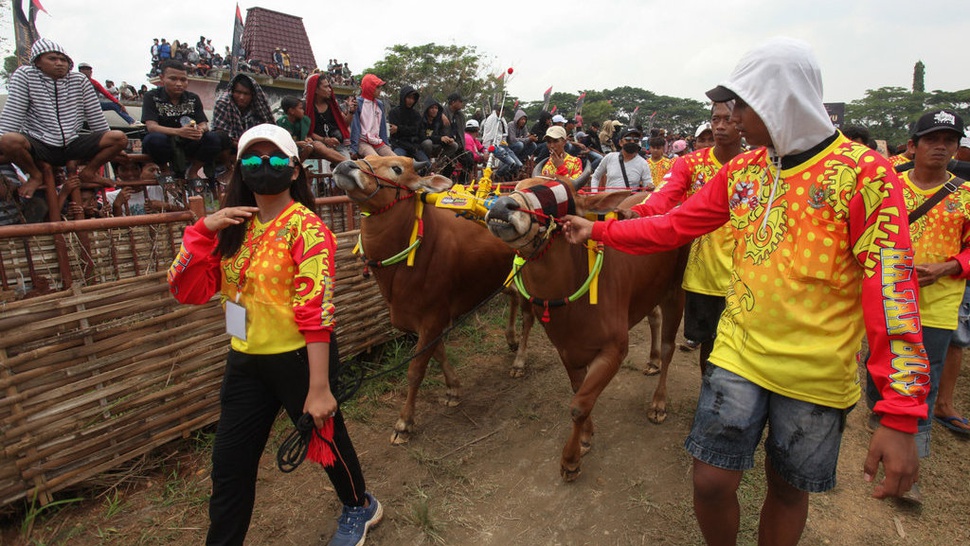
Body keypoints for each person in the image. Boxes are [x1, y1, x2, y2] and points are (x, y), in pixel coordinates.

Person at [561, 37, 928, 546]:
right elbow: (674, 225)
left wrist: (900, 412)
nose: (730, 116)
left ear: (780, 99)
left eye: (741, 103)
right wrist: (597, 230)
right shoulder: (744, 171)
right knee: (710, 481)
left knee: (785, 487)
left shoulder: (865, 175)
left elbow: (892, 291)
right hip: (738, 354)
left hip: (816, 373)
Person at [167, 124, 382, 546]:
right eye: (251, 159)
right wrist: (203, 229)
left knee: (327, 441)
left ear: (295, 169)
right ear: (239, 170)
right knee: (229, 465)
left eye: (274, 159)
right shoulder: (233, 226)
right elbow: (186, 289)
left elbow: (316, 309)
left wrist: (318, 388)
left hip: (301, 358)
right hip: (244, 360)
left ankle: (360, 506)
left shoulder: (308, 229)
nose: (263, 167)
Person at [865, 110, 970, 472]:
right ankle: (879, 412)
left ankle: (912, 457)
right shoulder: (888, 184)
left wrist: (949, 266)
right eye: (932, 140)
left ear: (957, 148)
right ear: (912, 146)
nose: (941, 147)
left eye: (949, 141)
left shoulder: (966, 196)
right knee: (879, 365)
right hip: (887, 298)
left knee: (925, 375)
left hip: (938, 305)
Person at [629, 101, 744, 370]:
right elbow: (663, 197)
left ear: (740, 121)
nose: (720, 126)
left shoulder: (758, 164)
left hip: (747, 276)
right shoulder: (690, 164)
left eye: (727, 119)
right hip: (704, 274)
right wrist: (636, 213)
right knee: (708, 347)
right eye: (715, 119)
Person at [0, 38, 128, 199]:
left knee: (118, 138)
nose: (59, 63)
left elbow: (96, 118)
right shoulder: (25, 76)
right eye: (52, 59)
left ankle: (88, 172)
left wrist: (116, 148)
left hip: (71, 142)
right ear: (38, 62)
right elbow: (12, 115)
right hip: (40, 143)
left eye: (63, 59)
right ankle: (34, 175)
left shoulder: (79, 80)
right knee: (9, 140)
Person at [141, 60, 221, 178]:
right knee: (154, 139)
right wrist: (179, 132)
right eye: (173, 79)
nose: (179, 84)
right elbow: (152, 127)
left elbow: (204, 124)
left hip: (189, 143)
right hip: (165, 143)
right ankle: (165, 170)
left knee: (214, 138)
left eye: (183, 80)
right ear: (162, 78)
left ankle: (193, 171)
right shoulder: (151, 96)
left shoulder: (193, 98)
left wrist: (199, 130)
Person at [212, 74, 274, 167]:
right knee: (220, 137)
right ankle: (227, 167)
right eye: (238, 92)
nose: (241, 97)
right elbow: (222, 132)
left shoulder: (257, 107)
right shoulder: (224, 103)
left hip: (251, 145)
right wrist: (241, 144)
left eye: (246, 94)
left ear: (252, 95)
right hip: (229, 145)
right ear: (232, 92)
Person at [304, 73, 354, 164]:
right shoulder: (305, 107)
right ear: (315, 89)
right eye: (326, 87)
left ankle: (347, 163)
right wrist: (325, 140)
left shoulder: (332, 105)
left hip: (337, 144)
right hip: (317, 145)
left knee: (347, 170)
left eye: (329, 86)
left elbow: (344, 124)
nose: (330, 90)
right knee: (347, 165)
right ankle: (347, 163)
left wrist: (351, 112)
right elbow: (307, 131)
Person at [589, 126, 652, 192]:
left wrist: (650, 186)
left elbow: (647, 185)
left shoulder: (643, 163)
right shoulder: (610, 157)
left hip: (629, 201)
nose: (632, 142)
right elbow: (595, 177)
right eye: (628, 139)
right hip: (609, 201)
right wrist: (594, 193)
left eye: (636, 140)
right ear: (620, 142)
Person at [350, 74, 394, 158]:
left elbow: (382, 127)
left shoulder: (379, 104)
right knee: (376, 160)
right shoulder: (358, 103)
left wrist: (386, 145)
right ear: (369, 87)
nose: (380, 90)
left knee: (396, 159)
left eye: (380, 88)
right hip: (362, 141)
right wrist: (354, 148)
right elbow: (355, 127)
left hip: (377, 141)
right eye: (377, 87)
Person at [481, 103, 521, 180]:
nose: (503, 113)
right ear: (498, 111)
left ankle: (502, 174)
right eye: (502, 111)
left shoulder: (502, 119)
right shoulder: (492, 119)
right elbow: (489, 135)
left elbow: (503, 134)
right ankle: (498, 175)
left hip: (503, 145)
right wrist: (487, 149)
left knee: (518, 164)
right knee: (511, 162)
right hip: (494, 145)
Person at [388, 85, 427, 162]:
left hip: (413, 146)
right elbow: (394, 133)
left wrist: (399, 129)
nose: (411, 101)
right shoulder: (394, 112)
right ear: (403, 97)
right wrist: (404, 130)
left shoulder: (416, 114)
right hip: (399, 145)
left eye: (413, 98)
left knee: (427, 166)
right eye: (409, 97)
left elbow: (416, 130)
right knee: (398, 163)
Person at [418, 97, 455, 161]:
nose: (434, 110)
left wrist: (449, 139)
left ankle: (439, 162)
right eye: (431, 108)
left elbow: (442, 134)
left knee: (454, 145)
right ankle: (427, 162)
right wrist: (440, 138)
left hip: (437, 145)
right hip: (422, 146)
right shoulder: (421, 120)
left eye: (436, 108)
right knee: (428, 143)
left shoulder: (439, 121)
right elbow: (422, 136)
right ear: (427, 109)